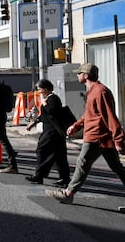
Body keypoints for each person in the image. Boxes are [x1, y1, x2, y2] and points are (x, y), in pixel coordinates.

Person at [46, 63, 125, 204]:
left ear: (86, 75)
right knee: (117, 168)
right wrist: (76, 126)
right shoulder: (93, 91)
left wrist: (118, 139)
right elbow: (90, 115)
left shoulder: (100, 92)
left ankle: (68, 193)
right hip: (100, 137)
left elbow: (110, 116)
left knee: (82, 163)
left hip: (97, 136)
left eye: (79, 73)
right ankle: (68, 194)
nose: (77, 75)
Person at [25, 79, 70, 186]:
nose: (38, 91)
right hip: (52, 130)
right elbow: (44, 115)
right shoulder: (49, 99)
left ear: (45, 89)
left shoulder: (53, 99)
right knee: (59, 156)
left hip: (52, 130)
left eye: (39, 89)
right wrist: (34, 123)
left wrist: (44, 104)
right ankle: (64, 178)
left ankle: (39, 175)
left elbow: (51, 112)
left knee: (41, 150)